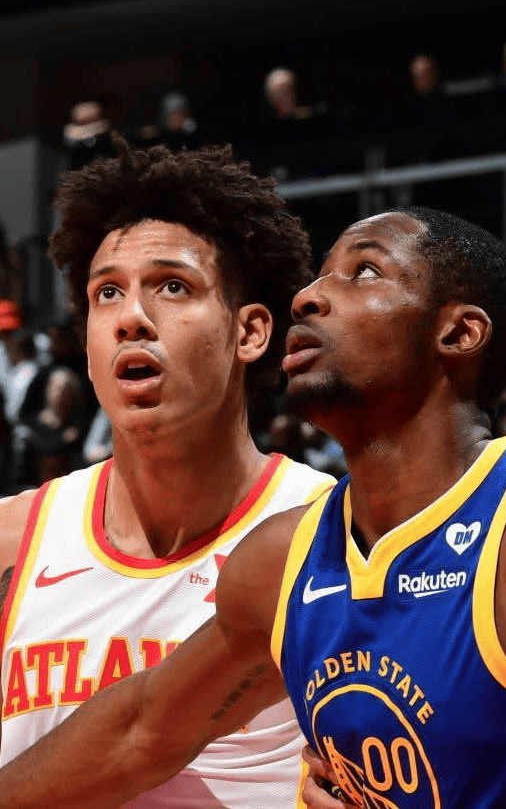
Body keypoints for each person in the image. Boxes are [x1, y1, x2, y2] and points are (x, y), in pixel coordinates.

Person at [4, 207, 506, 809]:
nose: (308, 297)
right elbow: (140, 732)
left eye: (364, 272)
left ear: (458, 334)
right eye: (320, 274)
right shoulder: (282, 561)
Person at [0, 138, 335, 808]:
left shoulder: (335, 537)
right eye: (107, 293)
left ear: (250, 332)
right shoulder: (13, 539)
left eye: (172, 286)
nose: (131, 318)